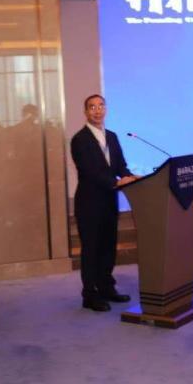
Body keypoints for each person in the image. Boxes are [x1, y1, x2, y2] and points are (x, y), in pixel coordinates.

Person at [70, 94, 137, 312]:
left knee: (108, 247)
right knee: (92, 249)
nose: (97, 110)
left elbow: (120, 165)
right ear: (85, 112)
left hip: (109, 201)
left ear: (106, 110)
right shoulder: (79, 140)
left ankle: (107, 288)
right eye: (92, 107)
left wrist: (130, 177)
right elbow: (90, 172)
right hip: (89, 203)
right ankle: (90, 295)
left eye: (101, 106)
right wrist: (117, 182)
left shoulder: (113, 137)